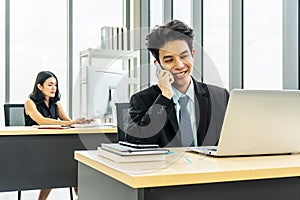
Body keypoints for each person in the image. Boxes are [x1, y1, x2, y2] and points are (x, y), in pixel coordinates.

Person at [126, 20, 229, 147]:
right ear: (158, 65)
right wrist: (165, 97)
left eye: (184, 56)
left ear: (192, 55)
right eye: (169, 60)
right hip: (166, 167)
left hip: (209, 166)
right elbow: (135, 141)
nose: (179, 65)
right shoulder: (142, 100)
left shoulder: (220, 97)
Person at [24, 71, 91, 200]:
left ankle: (79, 193)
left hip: (51, 145)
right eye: (50, 85)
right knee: (54, 164)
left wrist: (81, 123)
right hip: (34, 146)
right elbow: (41, 120)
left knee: (73, 160)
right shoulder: (30, 103)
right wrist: (70, 122)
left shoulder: (57, 104)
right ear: (39, 86)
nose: (54, 88)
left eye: (55, 84)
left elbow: (68, 122)